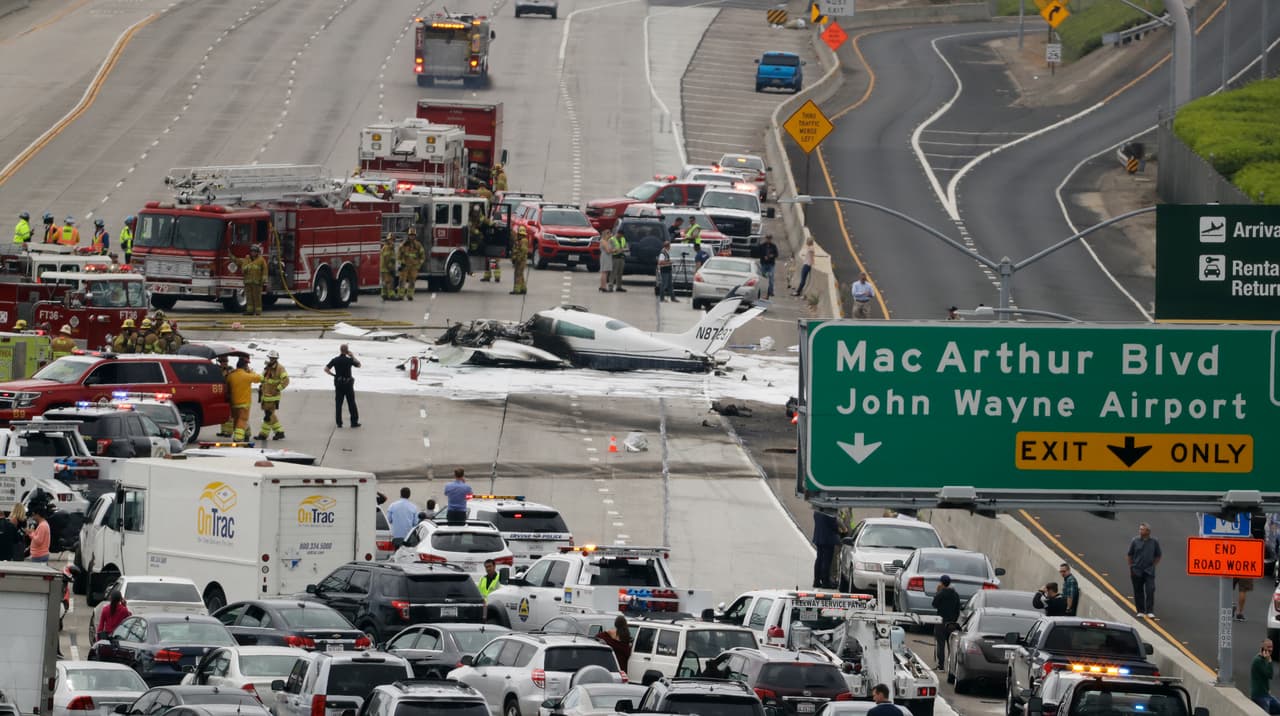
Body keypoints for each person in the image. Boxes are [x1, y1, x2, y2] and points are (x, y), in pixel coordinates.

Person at [1126, 522, 1162, 618]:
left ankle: (1150, 611)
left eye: (1142, 529)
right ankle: (1140, 610)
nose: (1140, 531)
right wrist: (1131, 567)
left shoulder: (1154, 542)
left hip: (1149, 571)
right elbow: (1130, 554)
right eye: (1140, 529)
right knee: (1138, 590)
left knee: (1150, 589)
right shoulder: (1135, 541)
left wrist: (1153, 565)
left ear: (1148, 531)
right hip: (1137, 570)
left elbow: (1158, 555)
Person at [254, 351, 290, 441]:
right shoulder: (267, 368)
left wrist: (278, 389)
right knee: (269, 415)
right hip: (265, 396)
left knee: (268, 415)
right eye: (270, 358)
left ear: (276, 359)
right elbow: (264, 379)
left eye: (273, 358)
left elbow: (286, 380)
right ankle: (276, 432)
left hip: (273, 397)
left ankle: (266, 434)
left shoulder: (280, 368)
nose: (271, 360)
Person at [226, 357, 262, 441]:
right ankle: (238, 438)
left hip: (233, 403)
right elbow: (259, 378)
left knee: (237, 420)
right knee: (242, 420)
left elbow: (227, 386)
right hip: (244, 404)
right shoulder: (247, 376)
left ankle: (247, 434)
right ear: (245, 366)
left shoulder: (231, 375)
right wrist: (251, 372)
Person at [325, 344, 361, 428]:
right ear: (347, 351)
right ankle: (354, 422)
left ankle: (339, 422)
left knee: (338, 403)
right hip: (348, 384)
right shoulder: (349, 360)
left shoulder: (335, 360)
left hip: (338, 383)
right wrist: (352, 356)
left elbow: (326, 369)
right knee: (351, 403)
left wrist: (334, 375)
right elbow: (359, 365)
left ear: (340, 350)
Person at [932, 575, 961, 669]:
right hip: (951, 623)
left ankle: (941, 665)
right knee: (951, 645)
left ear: (941, 583)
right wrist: (954, 620)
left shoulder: (940, 593)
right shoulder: (955, 595)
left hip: (941, 621)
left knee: (941, 644)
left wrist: (937, 593)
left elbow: (934, 604)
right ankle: (951, 666)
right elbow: (958, 609)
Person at [236, 245, 268, 316]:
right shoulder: (247, 259)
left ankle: (258, 311)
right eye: (252, 251)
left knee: (257, 297)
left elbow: (265, 270)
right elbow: (243, 269)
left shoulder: (261, 260)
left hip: (257, 283)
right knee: (249, 297)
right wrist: (247, 267)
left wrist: (263, 279)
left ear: (257, 252)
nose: (253, 253)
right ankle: (249, 311)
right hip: (248, 282)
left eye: (255, 251)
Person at [811, 510, 839, 589]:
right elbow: (834, 526)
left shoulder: (817, 512)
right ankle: (825, 582)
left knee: (819, 559)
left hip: (819, 538)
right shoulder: (829, 513)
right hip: (828, 539)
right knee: (826, 561)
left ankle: (816, 581)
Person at [1254, 640, 1280, 713]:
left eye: (1271, 647)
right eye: (1268, 647)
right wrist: (1269, 661)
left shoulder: (1263, 660)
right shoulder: (1258, 661)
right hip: (1260, 696)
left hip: (1266, 694)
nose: (1270, 649)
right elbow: (1270, 675)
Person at [398, 229, 424, 300]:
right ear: (408, 236)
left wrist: (419, 265)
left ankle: (410, 295)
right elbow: (399, 255)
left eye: (413, 235)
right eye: (410, 235)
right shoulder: (403, 245)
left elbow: (422, 256)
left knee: (412, 281)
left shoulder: (418, 245)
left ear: (415, 236)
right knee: (402, 280)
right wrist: (400, 263)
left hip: (414, 267)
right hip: (405, 266)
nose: (411, 237)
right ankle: (400, 295)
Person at [215, 355, 235, 438]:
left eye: (225, 362)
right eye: (222, 362)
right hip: (221, 393)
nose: (224, 363)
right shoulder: (217, 370)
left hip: (229, 393)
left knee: (229, 414)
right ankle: (223, 431)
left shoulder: (230, 370)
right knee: (222, 413)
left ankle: (229, 432)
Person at [510, 226, 529, 295]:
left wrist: (518, 259)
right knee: (520, 274)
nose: (519, 235)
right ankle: (523, 289)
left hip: (521, 260)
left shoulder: (523, 241)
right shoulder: (520, 240)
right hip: (519, 260)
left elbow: (523, 251)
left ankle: (517, 290)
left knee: (518, 274)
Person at [380, 233, 398, 300]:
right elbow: (387, 259)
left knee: (385, 282)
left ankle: (384, 294)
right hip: (387, 269)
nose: (392, 241)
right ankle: (391, 295)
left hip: (384, 268)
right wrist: (391, 268)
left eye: (393, 240)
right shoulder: (387, 248)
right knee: (390, 282)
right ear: (387, 240)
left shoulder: (389, 247)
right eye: (390, 240)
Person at [598, 228, 614, 292]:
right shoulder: (604, 241)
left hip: (606, 256)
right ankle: (603, 287)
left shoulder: (607, 241)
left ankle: (602, 286)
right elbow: (608, 251)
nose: (611, 235)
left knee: (605, 272)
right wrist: (614, 250)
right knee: (604, 272)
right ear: (606, 234)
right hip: (605, 257)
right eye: (609, 234)